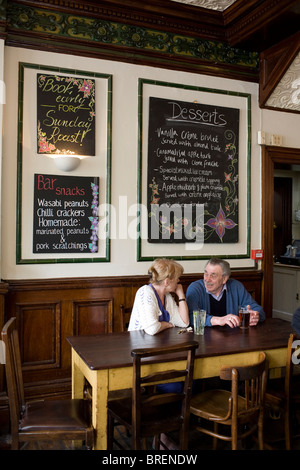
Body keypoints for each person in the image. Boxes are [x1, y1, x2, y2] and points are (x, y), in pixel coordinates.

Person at [186, 257, 265, 328]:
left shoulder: (236, 287)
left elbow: (258, 310)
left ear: (224, 279)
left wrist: (255, 315)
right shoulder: (195, 288)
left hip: (233, 339)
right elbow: (191, 316)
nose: (207, 279)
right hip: (204, 339)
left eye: (213, 276)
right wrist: (219, 320)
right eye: (206, 274)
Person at [128, 258, 189, 335]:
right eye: (177, 278)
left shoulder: (167, 296)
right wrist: (167, 324)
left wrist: (181, 295)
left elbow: (184, 322)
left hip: (159, 344)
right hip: (140, 345)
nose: (178, 281)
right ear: (167, 281)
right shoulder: (145, 292)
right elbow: (152, 329)